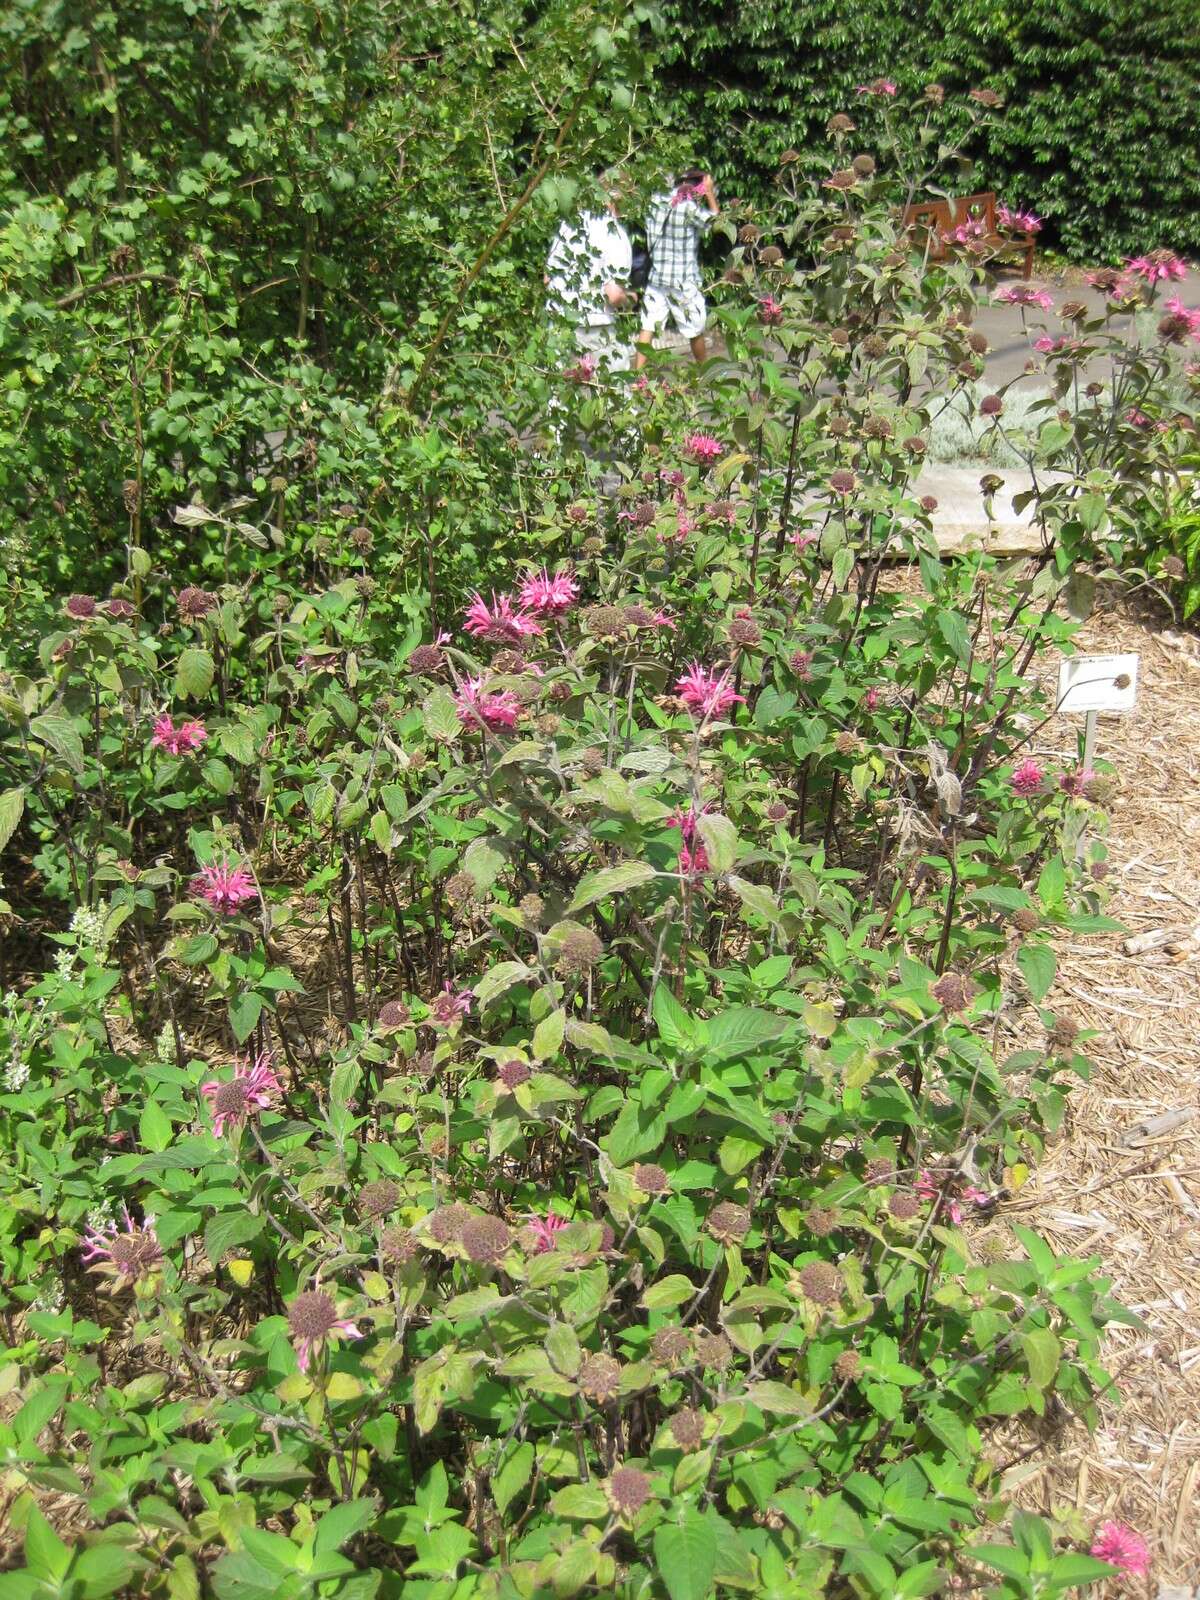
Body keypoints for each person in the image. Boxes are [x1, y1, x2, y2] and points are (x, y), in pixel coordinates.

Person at [544, 176, 633, 373]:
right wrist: (631, 299)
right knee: (614, 392)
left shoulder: (568, 226)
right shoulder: (615, 233)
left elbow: (547, 278)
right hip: (596, 325)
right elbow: (614, 295)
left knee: (561, 394)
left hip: (560, 322)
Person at [635, 168, 719, 368]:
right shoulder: (688, 207)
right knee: (694, 329)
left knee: (648, 325)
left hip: (657, 278)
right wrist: (709, 193)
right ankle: (704, 374)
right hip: (683, 280)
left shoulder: (654, 202)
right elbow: (715, 221)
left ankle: (636, 378)